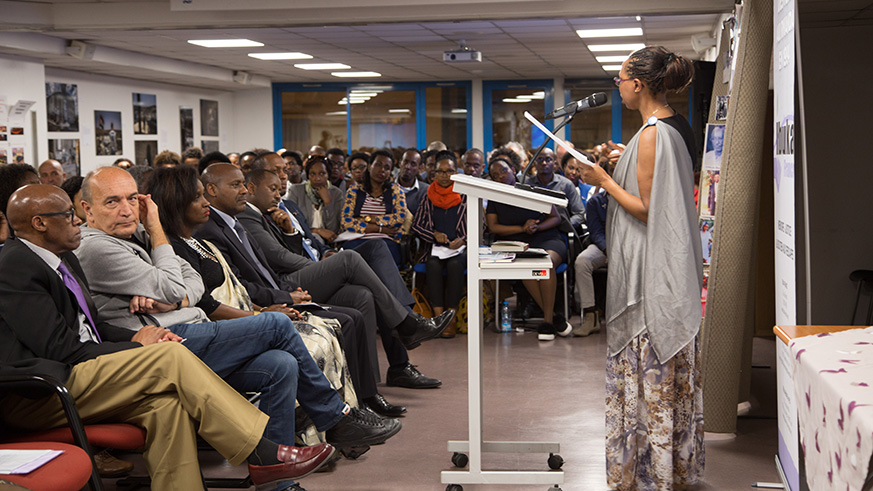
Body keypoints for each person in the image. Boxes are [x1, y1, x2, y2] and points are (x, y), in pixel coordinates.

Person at [0, 184, 336, 491]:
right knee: (169, 357)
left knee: (167, 405)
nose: (77, 221)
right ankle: (262, 452)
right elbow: (59, 348)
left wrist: (145, 336)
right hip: (37, 393)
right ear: (40, 223)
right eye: (69, 215)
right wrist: (135, 345)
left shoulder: (63, 256)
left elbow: (94, 323)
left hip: (79, 372)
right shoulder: (15, 265)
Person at [74, 167, 401, 479]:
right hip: (164, 345)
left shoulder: (133, 237)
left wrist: (171, 297)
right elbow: (178, 283)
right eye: (112, 201)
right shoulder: (99, 247)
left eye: (133, 199)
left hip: (191, 329)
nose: (127, 209)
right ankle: (336, 417)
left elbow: (192, 280)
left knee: (281, 364)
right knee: (276, 325)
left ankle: (276, 478)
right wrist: (158, 233)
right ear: (87, 209)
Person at [146, 165, 406, 419]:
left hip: (267, 296)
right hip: (232, 316)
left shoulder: (214, 231)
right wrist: (267, 308)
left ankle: (361, 400)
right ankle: (337, 415)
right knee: (345, 278)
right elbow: (213, 296)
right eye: (236, 185)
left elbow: (265, 266)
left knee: (359, 300)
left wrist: (289, 245)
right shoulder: (207, 232)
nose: (244, 192)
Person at [579, 46, 704, 490]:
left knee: (647, 370)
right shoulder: (671, 125)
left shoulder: (652, 134)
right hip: (669, 271)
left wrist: (604, 180)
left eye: (620, 79)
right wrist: (623, 158)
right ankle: (675, 467)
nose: (618, 86)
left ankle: (647, 474)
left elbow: (649, 209)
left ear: (638, 84)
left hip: (652, 280)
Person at [195, 164, 453, 357]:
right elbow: (276, 259)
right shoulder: (243, 218)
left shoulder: (279, 210)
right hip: (286, 283)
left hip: (307, 265)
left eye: (282, 178)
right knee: (352, 258)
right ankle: (407, 321)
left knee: (365, 285)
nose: (282, 184)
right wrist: (322, 267)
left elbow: (303, 243)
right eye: (274, 181)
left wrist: (297, 237)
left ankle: (380, 381)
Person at [486, 159, 571, 341]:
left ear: (514, 170)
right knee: (528, 270)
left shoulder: (530, 190)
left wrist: (536, 228)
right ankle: (555, 318)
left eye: (504, 171)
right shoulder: (495, 199)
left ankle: (547, 321)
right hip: (519, 243)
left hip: (547, 238)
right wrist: (522, 229)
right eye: (495, 175)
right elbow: (493, 227)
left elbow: (555, 218)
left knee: (545, 264)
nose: (501, 176)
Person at [411, 150, 467, 338]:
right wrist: (433, 234)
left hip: (460, 249)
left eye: (449, 171)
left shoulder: (465, 193)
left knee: (455, 265)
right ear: (433, 173)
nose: (445, 176)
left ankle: (450, 320)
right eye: (440, 172)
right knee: (432, 266)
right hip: (435, 248)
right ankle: (438, 320)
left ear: (456, 172)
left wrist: (463, 239)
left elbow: (480, 224)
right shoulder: (429, 194)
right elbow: (417, 225)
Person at [341, 150, 407, 266]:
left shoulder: (396, 191)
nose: (382, 170)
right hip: (357, 240)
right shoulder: (354, 191)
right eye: (378, 164)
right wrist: (380, 229)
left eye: (387, 168)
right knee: (354, 262)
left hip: (386, 242)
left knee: (378, 259)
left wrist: (366, 219)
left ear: (390, 172)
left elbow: (398, 219)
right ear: (369, 166)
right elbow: (346, 221)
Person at [573, 160, 612, 337]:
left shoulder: (631, 197)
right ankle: (590, 316)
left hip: (627, 245)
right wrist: (607, 250)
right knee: (582, 262)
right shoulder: (596, 201)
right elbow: (595, 232)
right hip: (603, 245)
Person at [285, 155, 344, 244]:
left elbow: (333, 230)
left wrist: (328, 203)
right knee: (316, 238)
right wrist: (317, 231)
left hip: (328, 243)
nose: (317, 178)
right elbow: (293, 223)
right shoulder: (296, 190)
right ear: (308, 175)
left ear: (328, 174)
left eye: (322, 173)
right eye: (313, 174)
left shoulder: (336, 193)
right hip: (302, 240)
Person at [396, 149, 428, 216]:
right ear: (400, 163)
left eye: (413, 164)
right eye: (405, 162)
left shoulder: (426, 191)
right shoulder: (387, 188)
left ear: (419, 168)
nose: (408, 167)